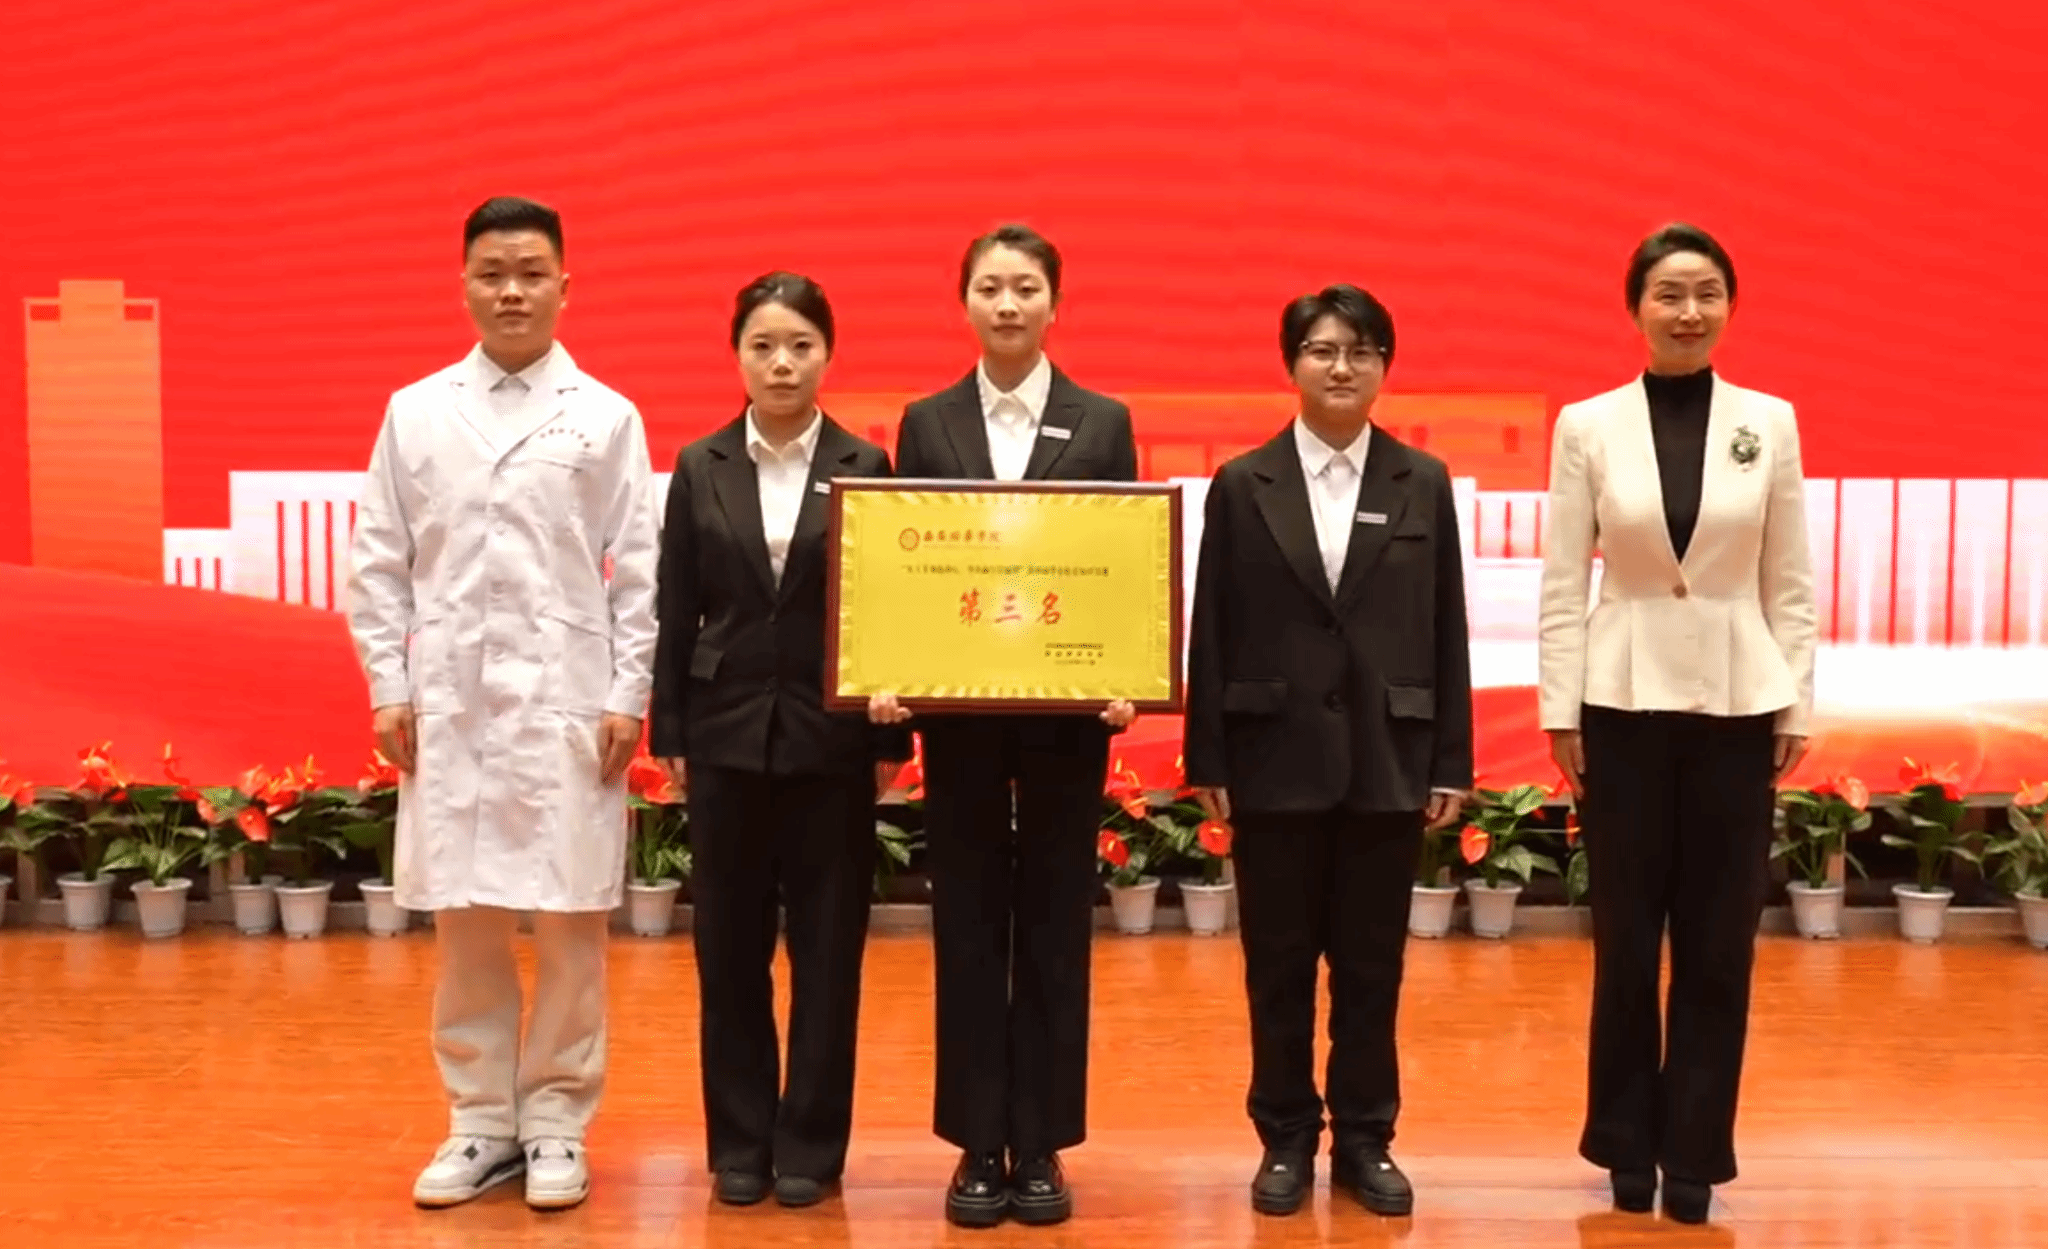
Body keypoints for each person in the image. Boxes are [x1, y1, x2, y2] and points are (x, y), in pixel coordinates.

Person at [344, 195, 660, 1212]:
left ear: (566, 285)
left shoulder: (605, 415)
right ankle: (479, 1120)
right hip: (452, 707)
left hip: (571, 705)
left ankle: (557, 1119)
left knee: (570, 922)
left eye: (530, 273)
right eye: (492, 273)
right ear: (464, 286)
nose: (512, 291)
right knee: (467, 920)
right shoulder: (417, 411)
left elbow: (640, 571)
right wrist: (389, 684)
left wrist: (627, 693)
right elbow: (378, 559)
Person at [1537, 223, 1817, 1225]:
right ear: (1636, 308)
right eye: (1668, 293)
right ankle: (1622, 1140)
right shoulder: (1586, 424)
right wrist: (1558, 707)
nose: (1687, 311)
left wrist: (1796, 697)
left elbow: (1789, 577)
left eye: (1705, 292)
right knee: (1624, 941)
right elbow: (1562, 579)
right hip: (1619, 705)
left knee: (1716, 943)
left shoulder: (1769, 421)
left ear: (1728, 305)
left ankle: (1694, 1150)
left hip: (1738, 708)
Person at [1183, 283, 1473, 1220]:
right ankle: (1283, 1138)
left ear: (1385, 365)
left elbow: (1447, 627)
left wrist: (1451, 760)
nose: (1341, 366)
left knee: (1371, 969)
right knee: (1276, 966)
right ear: (1292, 364)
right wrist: (1209, 758)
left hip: (1388, 758)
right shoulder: (1244, 483)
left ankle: (1364, 1138)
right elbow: (1212, 626)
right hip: (1273, 760)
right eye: (1321, 349)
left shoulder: (1421, 480)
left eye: (1360, 350)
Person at [869, 223, 1137, 1228]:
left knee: (1059, 924)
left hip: (1067, 718)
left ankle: (1044, 1140)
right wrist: (893, 670)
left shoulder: (1102, 421)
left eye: (1026, 287)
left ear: (1055, 303)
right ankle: (978, 1140)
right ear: (966, 302)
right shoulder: (927, 421)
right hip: (964, 716)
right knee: (970, 923)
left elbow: (1119, 564)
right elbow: (907, 561)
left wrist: (1125, 671)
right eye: (990, 287)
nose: (1008, 303)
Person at [649, 271, 910, 1209]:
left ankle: (810, 1144)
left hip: (831, 742)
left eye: (800, 345)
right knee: (729, 953)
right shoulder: (701, 463)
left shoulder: (867, 464)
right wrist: (670, 727)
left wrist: (893, 738)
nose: (782, 363)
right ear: (738, 355)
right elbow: (676, 604)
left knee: (829, 956)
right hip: (724, 739)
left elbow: (892, 604)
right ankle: (740, 1141)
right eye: (763, 345)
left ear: (827, 354)